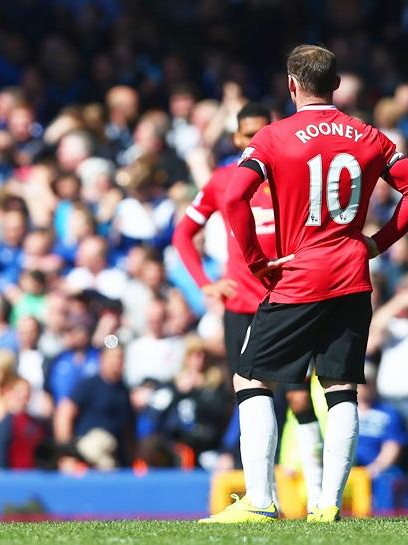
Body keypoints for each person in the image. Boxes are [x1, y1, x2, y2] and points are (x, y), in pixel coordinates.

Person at [202, 44, 408, 523]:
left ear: (291, 84)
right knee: (340, 387)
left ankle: (261, 503)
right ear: (337, 85)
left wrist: (255, 260)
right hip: (351, 273)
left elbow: (235, 196)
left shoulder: (272, 137)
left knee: (250, 378)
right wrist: (377, 243)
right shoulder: (368, 135)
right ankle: (327, 507)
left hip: (299, 276)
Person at [172, 102, 324, 510]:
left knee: (296, 398)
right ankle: (262, 499)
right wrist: (206, 283)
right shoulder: (224, 181)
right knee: (250, 398)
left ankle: (321, 499)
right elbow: (184, 234)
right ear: (237, 138)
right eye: (247, 133)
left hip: (289, 301)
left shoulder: (293, 177)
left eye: (262, 131)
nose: (254, 139)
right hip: (241, 306)